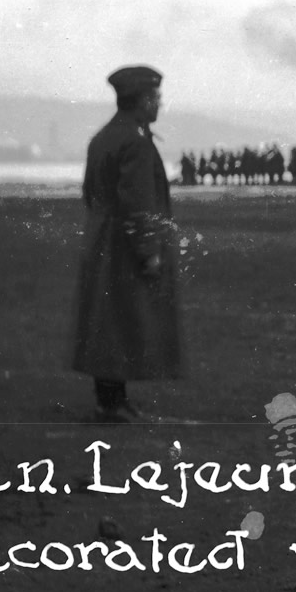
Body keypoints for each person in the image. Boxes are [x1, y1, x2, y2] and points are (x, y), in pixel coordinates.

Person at [72, 65, 182, 423]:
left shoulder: (103, 136)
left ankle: (111, 398)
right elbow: (139, 204)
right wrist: (149, 253)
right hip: (123, 246)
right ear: (142, 100)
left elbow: (90, 193)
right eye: (156, 98)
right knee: (120, 321)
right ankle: (113, 402)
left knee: (107, 322)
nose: (159, 104)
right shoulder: (135, 141)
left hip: (102, 239)